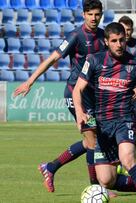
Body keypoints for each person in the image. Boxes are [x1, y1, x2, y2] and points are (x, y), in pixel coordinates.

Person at [13, 0, 106, 193]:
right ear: (83, 15)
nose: (94, 18)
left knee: (93, 140)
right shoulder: (76, 36)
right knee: (92, 142)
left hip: (94, 94)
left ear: (101, 14)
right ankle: (95, 189)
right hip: (75, 93)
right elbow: (52, 59)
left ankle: (51, 167)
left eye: (97, 14)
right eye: (90, 14)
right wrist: (30, 81)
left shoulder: (104, 36)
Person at [72, 22, 136, 203]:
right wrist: (80, 112)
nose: (119, 44)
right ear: (106, 42)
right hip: (102, 124)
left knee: (128, 159)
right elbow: (77, 90)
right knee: (107, 180)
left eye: (121, 40)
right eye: (114, 41)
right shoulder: (94, 60)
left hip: (125, 120)